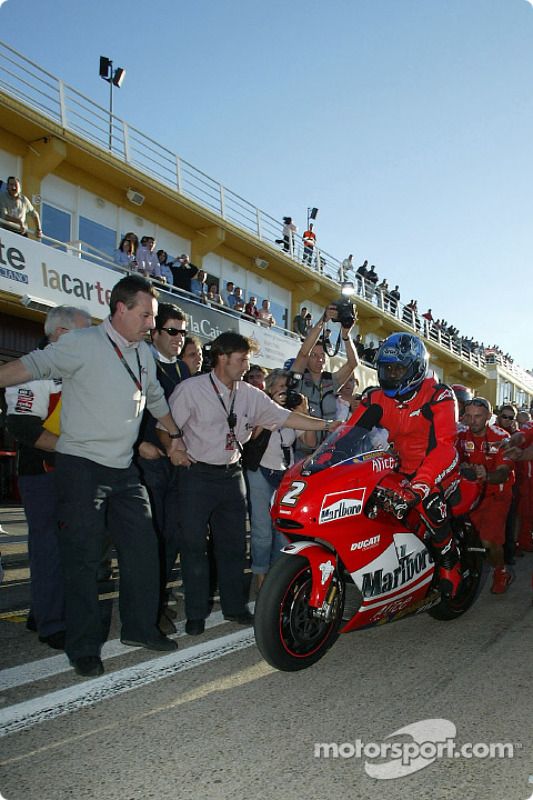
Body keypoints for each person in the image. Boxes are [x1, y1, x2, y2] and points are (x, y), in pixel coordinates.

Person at [0, 275, 184, 677]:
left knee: (143, 548)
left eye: (152, 316)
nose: (151, 324)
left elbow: (155, 399)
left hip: (124, 469)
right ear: (120, 309)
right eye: (145, 315)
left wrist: (176, 436)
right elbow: (31, 366)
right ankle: (82, 647)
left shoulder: (143, 353)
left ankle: (140, 628)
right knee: (83, 559)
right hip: (81, 467)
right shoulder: (81, 343)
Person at [161, 331, 341, 636]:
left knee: (233, 546)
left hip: (231, 476)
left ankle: (234, 608)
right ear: (222, 358)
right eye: (242, 359)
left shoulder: (249, 393)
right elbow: (164, 427)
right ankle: (195, 614)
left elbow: (285, 417)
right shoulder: (190, 390)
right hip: (196, 475)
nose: (247, 366)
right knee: (193, 547)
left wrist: (329, 425)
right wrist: (172, 448)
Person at [348, 333, 463, 598]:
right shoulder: (375, 397)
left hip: (438, 468)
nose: (391, 374)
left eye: (398, 369)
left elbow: (445, 446)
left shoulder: (439, 395)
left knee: (429, 503)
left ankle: (450, 560)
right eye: (386, 368)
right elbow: (348, 435)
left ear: (416, 368)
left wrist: (421, 484)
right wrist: (323, 464)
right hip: (399, 468)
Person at [5, 305, 92, 650]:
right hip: (42, 473)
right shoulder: (33, 368)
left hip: (72, 470)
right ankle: (52, 624)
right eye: (85, 331)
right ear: (60, 333)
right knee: (49, 548)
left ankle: (41, 612)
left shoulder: (76, 367)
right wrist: (71, 449)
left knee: (67, 546)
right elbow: (22, 426)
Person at [136, 302, 189, 635]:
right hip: (149, 462)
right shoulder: (141, 361)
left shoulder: (183, 369)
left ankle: (157, 599)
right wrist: (137, 445)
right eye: (172, 331)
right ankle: (149, 609)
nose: (178, 337)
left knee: (171, 536)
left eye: (182, 332)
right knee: (150, 538)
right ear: (154, 333)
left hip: (176, 464)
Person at [244, 369, 316, 590]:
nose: (286, 392)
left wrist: (304, 412)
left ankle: (275, 582)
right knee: (262, 532)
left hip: (285, 477)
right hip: (260, 471)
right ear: (270, 388)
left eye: (288, 388)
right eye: (281, 387)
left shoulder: (291, 413)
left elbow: (311, 442)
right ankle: (261, 578)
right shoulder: (260, 407)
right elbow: (252, 437)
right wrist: (272, 408)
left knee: (283, 532)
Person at [457, 397, 515, 593]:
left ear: (489, 416)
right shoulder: (460, 434)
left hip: (496, 495)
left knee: (488, 541)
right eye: (469, 416)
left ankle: (501, 572)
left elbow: (503, 473)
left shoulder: (502, 438)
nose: (472, 421)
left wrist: (487, 475)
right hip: (470, 493)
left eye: (478, 416)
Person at [290, 304, 358, 459]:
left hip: (327, 453)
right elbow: (303, 353)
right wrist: (323, 320)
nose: (319, 359)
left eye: (322, 356)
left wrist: (346, 335)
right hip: (302, 453)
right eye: (314, 355)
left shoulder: (331, 381)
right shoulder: (297, 379)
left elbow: (353, 363)